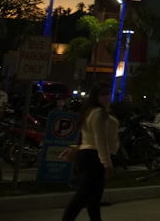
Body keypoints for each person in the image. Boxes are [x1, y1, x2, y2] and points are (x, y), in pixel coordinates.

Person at [62, 81, 120, 221]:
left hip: (90, 155)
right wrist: (107, 164)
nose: (106, 97)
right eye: (102, 94)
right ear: (96, 97)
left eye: (108, 93)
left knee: (94, 198)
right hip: (94, 158)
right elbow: (100, 140)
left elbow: (88, 137)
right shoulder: (98, 113)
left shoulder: (93, 112)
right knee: (82, 197)